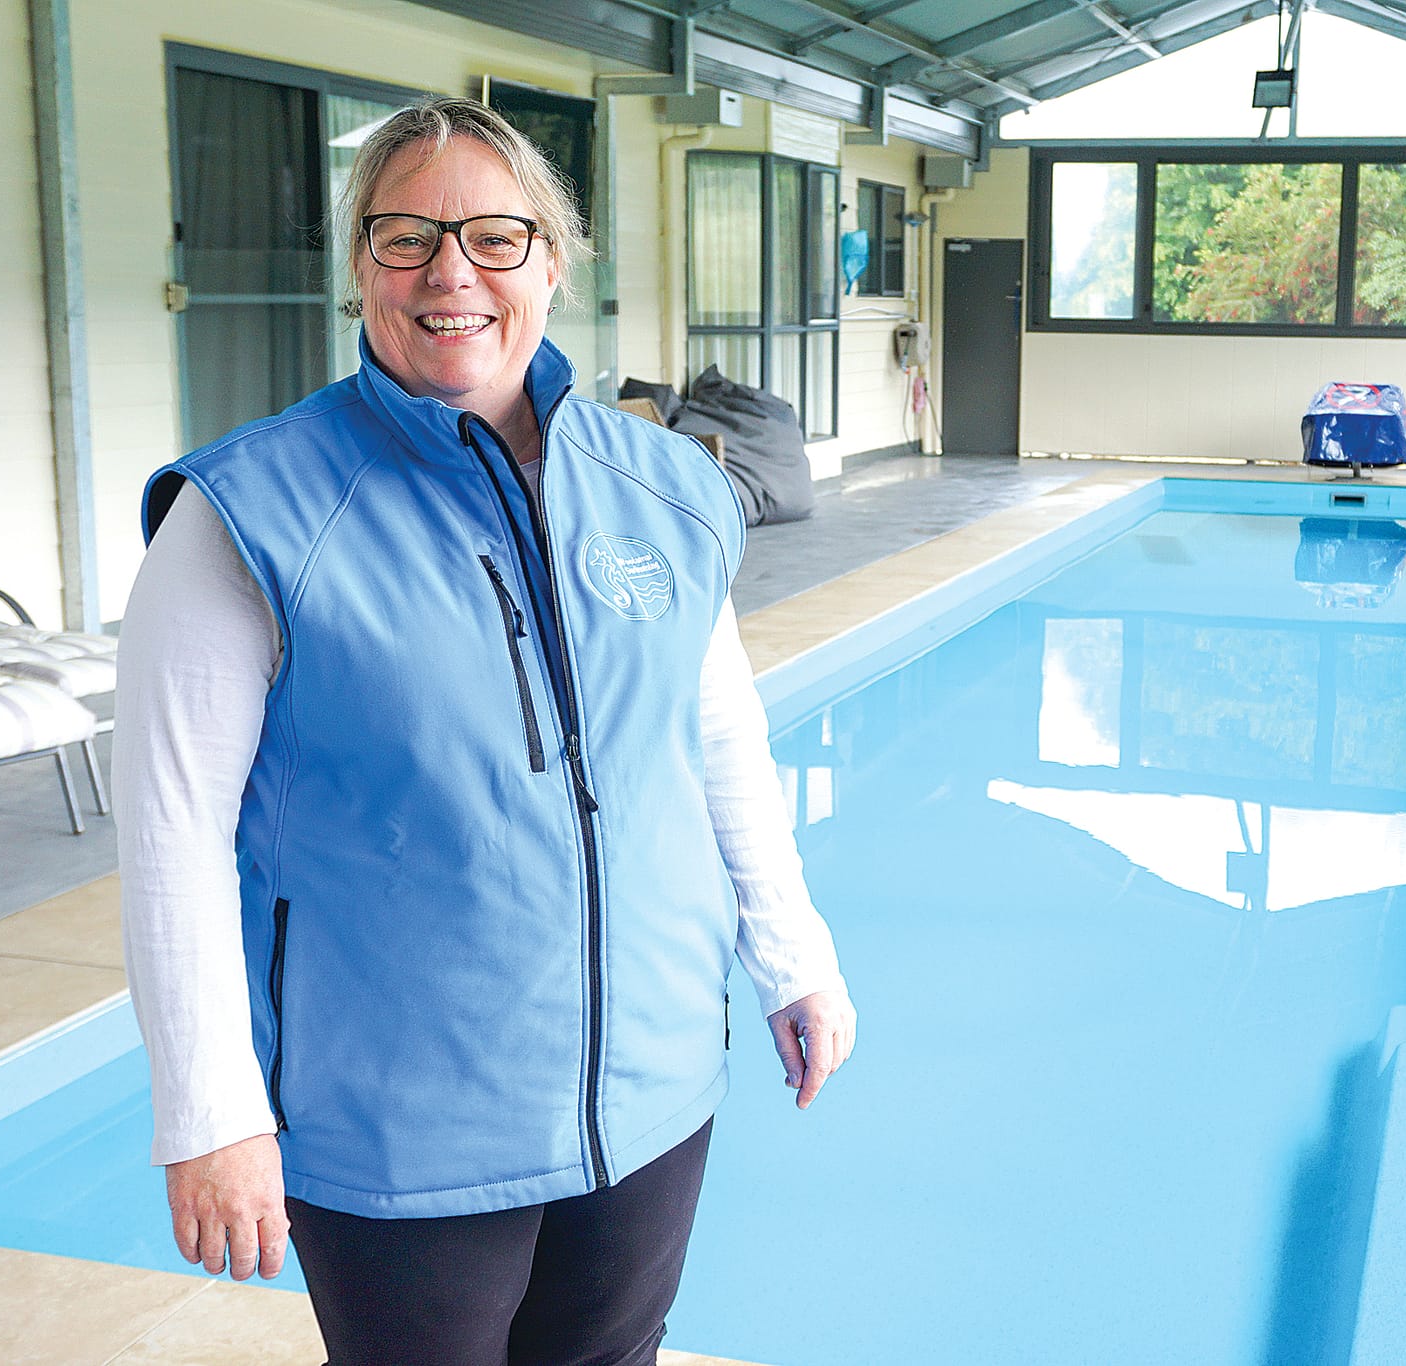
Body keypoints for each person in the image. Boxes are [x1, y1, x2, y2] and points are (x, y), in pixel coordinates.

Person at [115, 96, 856, 1366]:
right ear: (360, 267)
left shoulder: (665, 486)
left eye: (495, 236)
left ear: (552, 263)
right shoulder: (246, 512)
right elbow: (172, 833)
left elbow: (717, 733)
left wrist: (792, 953)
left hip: (650, 1083)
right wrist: (209, 1107)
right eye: (405, 236)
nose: (450, 271)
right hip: (401, 1118)